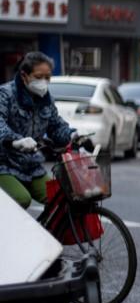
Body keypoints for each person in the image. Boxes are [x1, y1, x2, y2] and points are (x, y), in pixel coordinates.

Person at [0, 52, 89, 209]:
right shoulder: (5, 94)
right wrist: (15, 140)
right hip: (4, 165)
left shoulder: (46, 100)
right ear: (24, 75)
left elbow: (56, 125)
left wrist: (72, 134)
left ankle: (47, 233)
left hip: (32, 166)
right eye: (39, 76)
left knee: (62, 199)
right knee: (22, 199)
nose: (44, 82)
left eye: (47, 77)